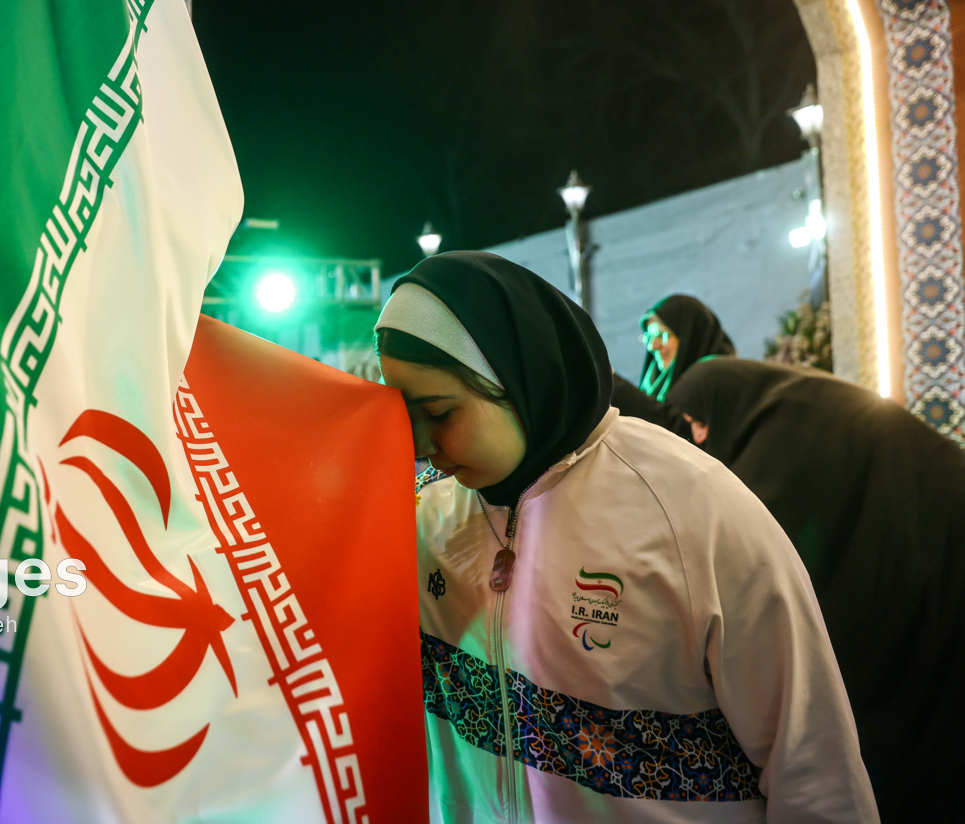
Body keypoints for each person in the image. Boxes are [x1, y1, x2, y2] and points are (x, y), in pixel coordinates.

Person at [375, 252, 876, 822]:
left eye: (439, 412)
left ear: (519, 378)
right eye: (403, 415)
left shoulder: (688, 509)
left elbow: (811, 768)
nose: (419, 445)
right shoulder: (426, 515)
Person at [670, 357, 965, 822]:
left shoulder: (781, 439)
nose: (699, 436)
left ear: (725, 403)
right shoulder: (791, 405)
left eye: (699, 421)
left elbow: (760, 559)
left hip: (937, 548)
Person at [611, 295, 734, 440]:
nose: (653, 346)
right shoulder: (654, 381)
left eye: (662, 335)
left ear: (690, 338)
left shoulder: (717, 381)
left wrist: (610, 382)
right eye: (649, 337)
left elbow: (674, 429)